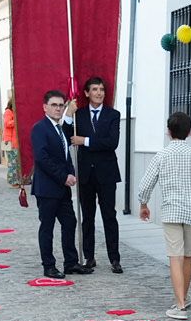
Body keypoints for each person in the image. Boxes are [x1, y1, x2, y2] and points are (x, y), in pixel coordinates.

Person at [138, 111, 191, 321]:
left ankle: (180, 304)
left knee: (175, 256)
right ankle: (184, 297)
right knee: (188, 256)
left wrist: (143, 203)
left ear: (168, 131)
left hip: (171, 211)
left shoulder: (161, 155)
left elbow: (146, 184)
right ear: (189, 132)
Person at [68, 76, 123, 274]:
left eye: (101, 89)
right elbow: (67, 135)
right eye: (94, 89)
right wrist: (68, 114)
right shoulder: (79, 115)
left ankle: (114, 258)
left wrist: (85, 141)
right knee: (87, 217)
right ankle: (89, 257)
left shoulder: (113, 115)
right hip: (86, 174)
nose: (99, 93)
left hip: (106, 174)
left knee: (109, 216)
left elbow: (112, 142)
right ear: (86, 93)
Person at [31, 90, 88, 277]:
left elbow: (65, 155)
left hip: (62, 189)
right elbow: (42, 158)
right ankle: (48, 265)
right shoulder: (40, 128)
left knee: (70, 222)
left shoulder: (61, 129)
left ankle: (71, 263)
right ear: (45, 107)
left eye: (61, 105)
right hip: (47, 188)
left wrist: (70, 172)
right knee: (47, 228)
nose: (58, 108)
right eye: (54, 105)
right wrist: (63, 177)